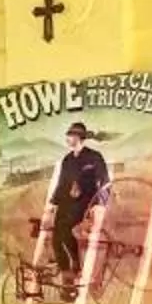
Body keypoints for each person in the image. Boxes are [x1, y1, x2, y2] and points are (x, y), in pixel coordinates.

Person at [40, 120, 111, 290]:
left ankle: (76, 265)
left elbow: (104, 181)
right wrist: (52, 204)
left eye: (70, 135)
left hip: (85, 203)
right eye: (68, 135)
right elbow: (62, 184)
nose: (67, 138)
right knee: (57, 238)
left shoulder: (94, 157)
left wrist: (99, 204)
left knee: (65, 231)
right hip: (66, 203)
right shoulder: (67, 160)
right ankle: (67, 276)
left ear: (79, 137)